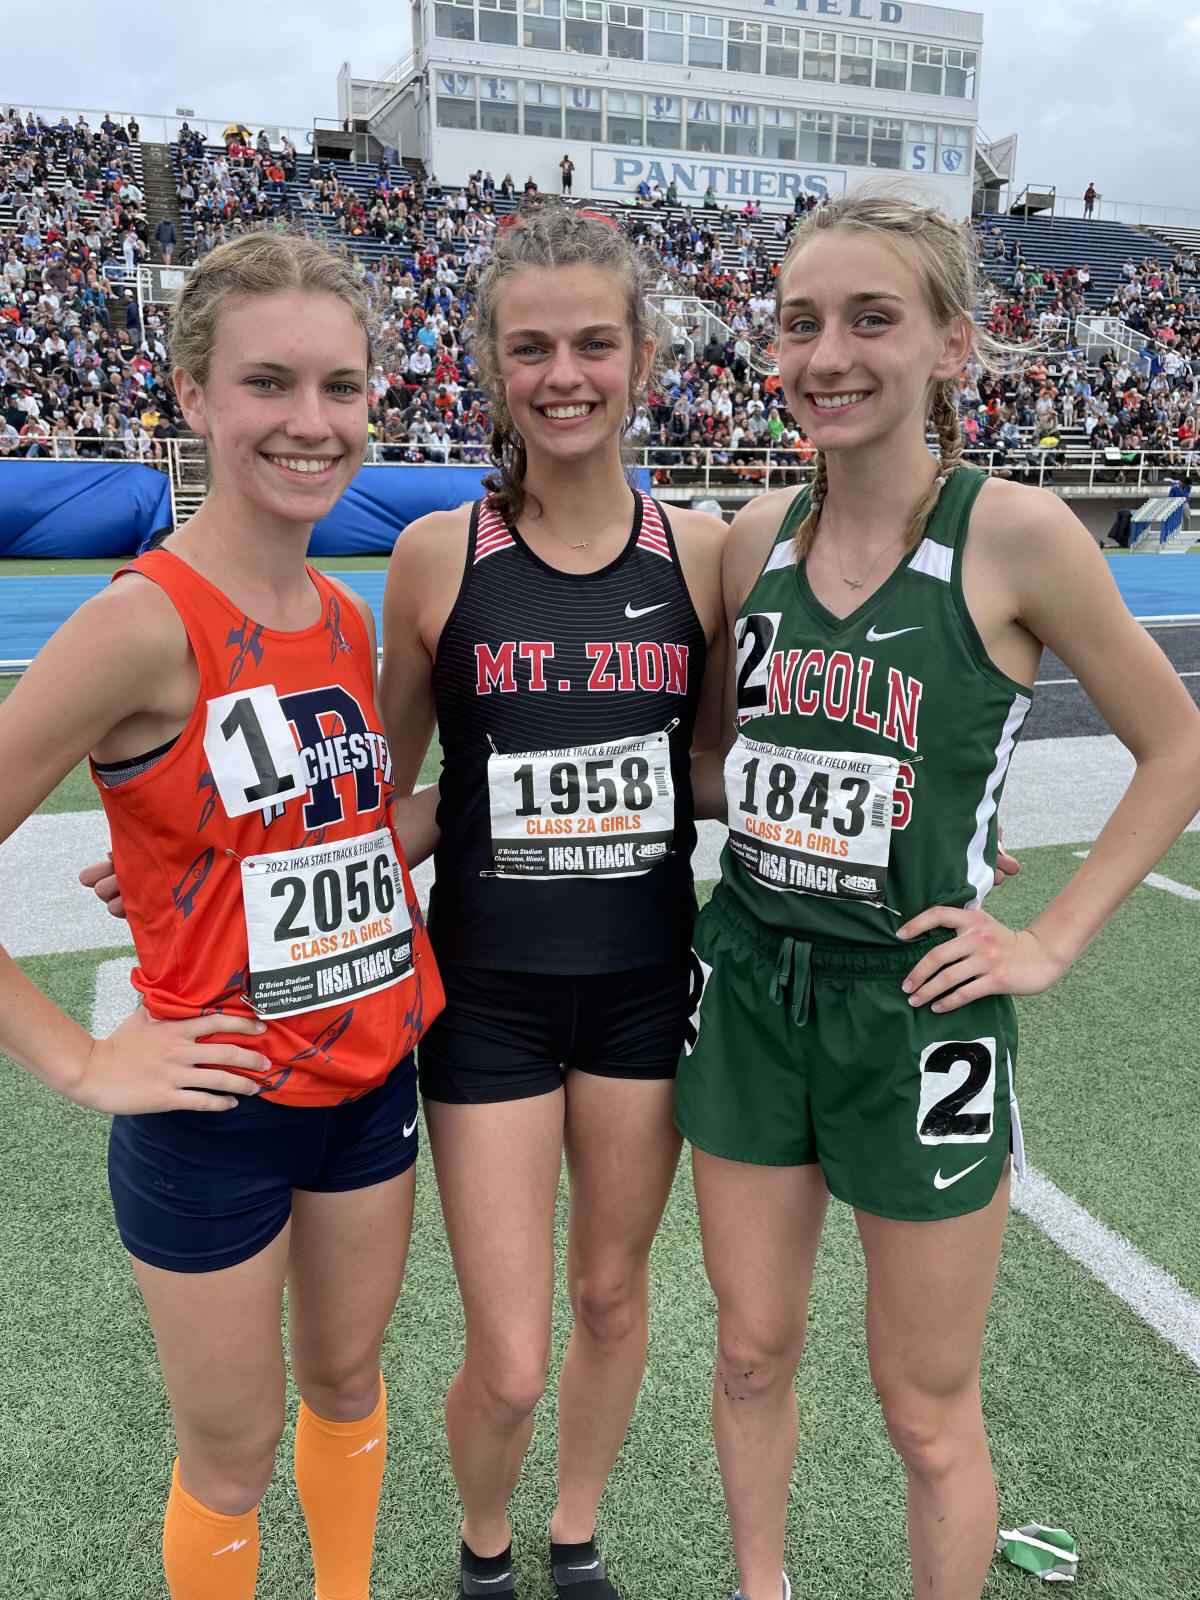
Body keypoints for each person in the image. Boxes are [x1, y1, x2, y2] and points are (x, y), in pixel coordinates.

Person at [673, 191, 1200, 1600]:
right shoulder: (751, 538)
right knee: (749, 1351)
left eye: (872, 318)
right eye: (799, 323)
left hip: (916, 1011)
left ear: (952, 345)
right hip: (749, 988)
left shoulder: (1018, 534)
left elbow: (1180, 746)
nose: (828, 353)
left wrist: (1049, 941)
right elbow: (725, 765)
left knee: (922, 1407)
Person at [9, 231, 444, 1600]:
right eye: (269, 382)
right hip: (217, 1114)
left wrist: (182, 860)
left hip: (372, 1082)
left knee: (348, 1385)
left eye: (341, 387)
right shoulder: (142, 621)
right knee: (233, 1454)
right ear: (193, 394)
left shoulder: (339, 612)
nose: (313, 422)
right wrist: (83, 1061)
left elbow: (344, 831)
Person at [379, 198, 728, 1600]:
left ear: (643, 356)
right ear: (489, 364)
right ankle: (485, 1550)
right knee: (512, 1355)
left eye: (594, 343)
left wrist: (915, 825)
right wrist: (222, 860)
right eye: (531, 348)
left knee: (611, 1295)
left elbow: (711, 772)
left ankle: (573, 1537)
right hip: (487, 1001)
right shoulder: (435, 557)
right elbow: (392, 795)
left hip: (644, 988)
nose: (564, 375)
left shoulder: (701, 551)